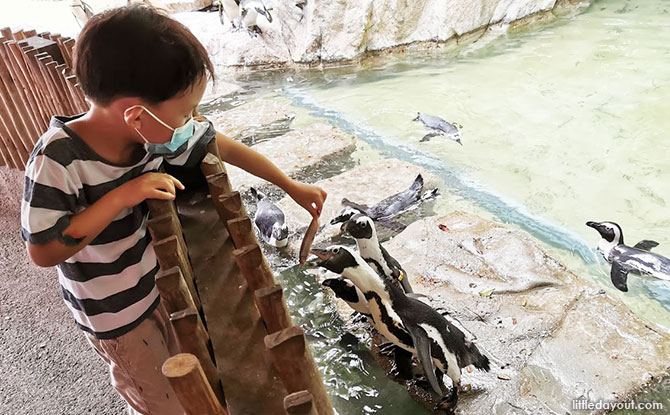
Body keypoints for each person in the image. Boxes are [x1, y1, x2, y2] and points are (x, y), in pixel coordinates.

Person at [20, 5, 326, 415]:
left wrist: (289, 185)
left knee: (185, 381)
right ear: (135, 114)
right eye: (185, 112)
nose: (192, 122)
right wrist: (121, 196)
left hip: (155, 286)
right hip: (116, 314)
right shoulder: (57, 161)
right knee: (159, 400)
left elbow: (222, 145)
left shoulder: (151, 133)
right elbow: (43, 250)